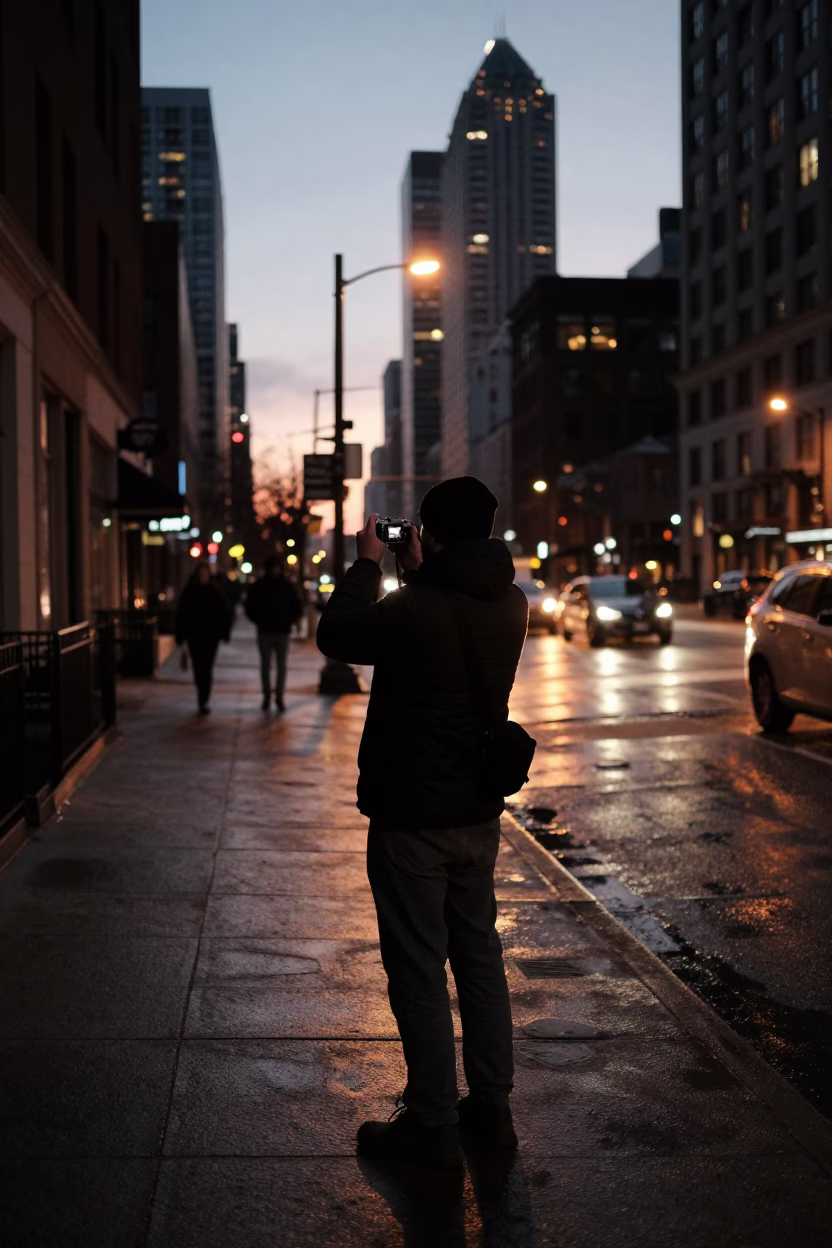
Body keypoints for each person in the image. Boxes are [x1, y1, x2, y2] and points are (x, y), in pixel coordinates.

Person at [317, 476, 528, 1170]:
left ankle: (431, 1123)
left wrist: (365, 562)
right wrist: (420, 570)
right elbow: (446, 612)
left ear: (429, 534)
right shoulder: (513, 603)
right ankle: (491, 1109)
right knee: (478, 956)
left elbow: (338, 633)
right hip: (477, 812)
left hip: (413, 817)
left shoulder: (412, 610)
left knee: (416, 967)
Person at [244, 556, 303, 711]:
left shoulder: (285, 586)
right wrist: (259, 620)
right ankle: (268, 695)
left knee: (280, 665)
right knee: (267, 665)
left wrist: (292, 621)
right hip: (266, 630)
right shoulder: (262, 586)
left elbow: (296, 606)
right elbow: (249, 607)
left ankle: (278, 696)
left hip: (281, 631)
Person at [174, 562, 232, 714]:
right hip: (195, 636)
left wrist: (224, 632)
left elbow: (224, 612)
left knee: (207, 666)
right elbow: (182, 614)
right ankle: (201, 693)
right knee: (199, 667)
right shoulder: (190, 591)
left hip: (211, 636)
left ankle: (204, 697)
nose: (203, 576)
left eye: (205, 573)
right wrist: (180, 635)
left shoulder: (215, 590)